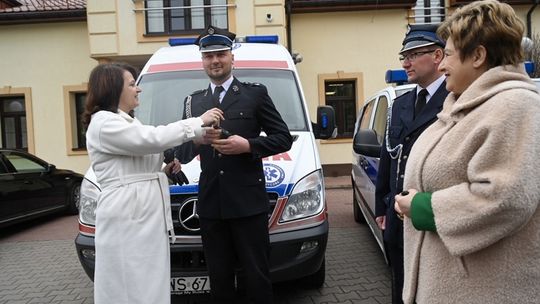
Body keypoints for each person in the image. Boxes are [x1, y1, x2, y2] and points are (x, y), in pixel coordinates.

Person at [394, 1, 540, 303]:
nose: (442, 65)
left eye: (447, 54)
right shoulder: (465, 107)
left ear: (478, 55)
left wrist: (422, 208)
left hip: (484, 290)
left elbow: (505, 198)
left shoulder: (515, 107)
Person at [82, 62, 223, 304]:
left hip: (139, 211)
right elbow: (154, 139)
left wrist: (164, 171)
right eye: (132, 84)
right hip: (127, 214)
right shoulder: (104, 122)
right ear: (113, 89)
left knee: (146, 280)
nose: (138, 90)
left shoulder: (126, 122)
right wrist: (196, 122)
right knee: (131, 281)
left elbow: (140, 160)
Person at [171, 25, 293, 303]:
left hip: (248, 203)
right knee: (219, 276)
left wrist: (248, 145)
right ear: (202, 61)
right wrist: (196, 142)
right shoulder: (193, 102)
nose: (215, 61)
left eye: (220, 54)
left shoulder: (255, 94)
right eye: (208, 56)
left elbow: (283, 138)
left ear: (231, 57)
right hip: (212, 205)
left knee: (256, 276)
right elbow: (185, 151)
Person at [374, 24, 448, 304]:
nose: (405, 62)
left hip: (429, 212)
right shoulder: (401, 103)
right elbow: (388, 157)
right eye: (403, 55)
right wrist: (382, 206)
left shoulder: (454, 99)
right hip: (396, 215)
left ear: (438, 55)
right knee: (399, 287)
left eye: (414, 54)